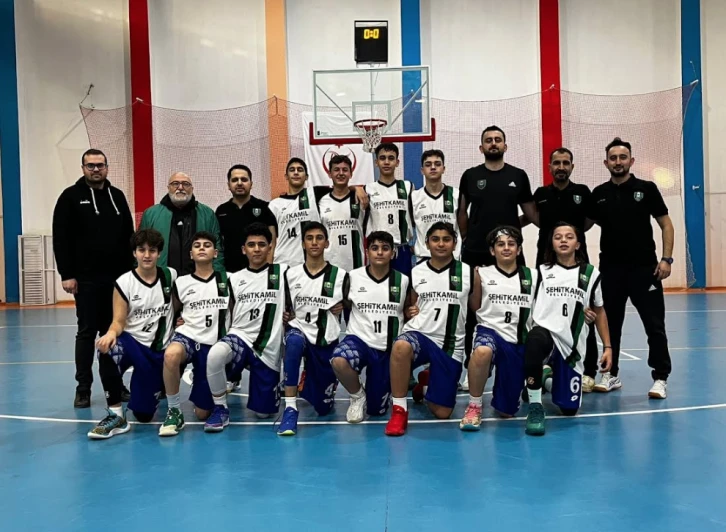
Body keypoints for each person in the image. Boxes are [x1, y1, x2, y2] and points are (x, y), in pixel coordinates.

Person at [589, 138, 674, 398]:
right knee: (611, 325)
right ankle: (610, 374)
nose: (618, 162)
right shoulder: (599, 193)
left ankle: (660, 377)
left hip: (645, 270)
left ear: (631, 161)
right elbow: (582, 226)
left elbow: (666, 224)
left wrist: (666, 259)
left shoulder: (647, 189)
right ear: (606, 163)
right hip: (611, 271)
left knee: (654, 326)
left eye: (623, 157)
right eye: (613, 158)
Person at [52, 148, 134, 408]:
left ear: (107, 167)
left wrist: (131, 274)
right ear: (83, 168)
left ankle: (115, 384)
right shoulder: (70, 197)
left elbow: (129, 235)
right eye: (91, 165)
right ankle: (83, 388)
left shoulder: (117, 196)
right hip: (86, 280)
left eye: (100, 165)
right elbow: (60, 238)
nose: (96, 169)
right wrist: (67, 274)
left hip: (117, 281)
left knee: (114, 331)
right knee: (87, 332)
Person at [458, 126, 539, 366]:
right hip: (475, 252)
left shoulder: (518, 175)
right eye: (488, 140)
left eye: (498, 140)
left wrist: (513, 225)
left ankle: (518, 360)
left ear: (505, 145)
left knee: (517, 304)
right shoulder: (470, 176)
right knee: (472, 310)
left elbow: (531, 213)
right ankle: (472, 363)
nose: (493, 143)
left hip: (509, 254)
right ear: (481, 147)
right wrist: (466, 236)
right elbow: (462, 211)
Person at [523, 222, 612, 436]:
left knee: (569, 409)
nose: (563, 240)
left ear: (578, 244)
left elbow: (599, 310)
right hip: (546, 334)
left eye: (569, 237)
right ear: (552, 244)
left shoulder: (590, 273)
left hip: (572, 344)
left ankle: (546, 378)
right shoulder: (541, 272)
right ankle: (535, 406)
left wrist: (608, 347)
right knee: (534, 340)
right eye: (558, 237)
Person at [385, 222, 473, 437]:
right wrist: (410, 311)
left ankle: (425, 383)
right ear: (426, 243)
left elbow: (477, 307)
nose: (441, 244)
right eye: (435, 239)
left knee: (442, 413)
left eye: (446, 239)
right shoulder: (416, 271)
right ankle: (399, 411)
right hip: (421, 334)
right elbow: (411, 305)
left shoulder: (468, 272)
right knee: (401, 346)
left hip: (450, 344)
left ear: (455, 243)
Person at [87, 229, 176, 439]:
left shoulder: (170, 276)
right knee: (108, 350)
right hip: (132, 343)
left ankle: (149, 392)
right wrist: (110, 333)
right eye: (141, 250)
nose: (147, 255)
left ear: (159, 253)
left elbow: (180, 304)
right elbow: (119, 320)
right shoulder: (124, 282)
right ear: (134, 253)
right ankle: (116, 415)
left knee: (144, 415)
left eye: (152, 250)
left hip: (158, 351)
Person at [524, 147, 599, 393]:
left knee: (585, 314)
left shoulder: (582, 192)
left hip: (578, 262)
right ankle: (545, 364)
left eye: (566, 163)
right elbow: (533, 218)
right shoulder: (541, 194)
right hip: (546, 261)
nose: (561, 167)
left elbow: (588, 222)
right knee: (545, 312)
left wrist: (570, 241)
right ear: (549, 167)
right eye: (557, 163)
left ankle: (588, 371)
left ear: (572, 166)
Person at [203, 224, 286, 432]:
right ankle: (220, 408)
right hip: (239, 337)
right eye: (251, 245)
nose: (256, 249)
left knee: (264, 413)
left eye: (262, 244)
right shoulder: (234, 279)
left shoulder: (283, 273)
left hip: (268, 347)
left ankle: (258, 384)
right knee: (215, 354)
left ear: (270, 248)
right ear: (243, 249)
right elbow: (223, 309)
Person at [460, 226, 537, 431]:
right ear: (492, 250)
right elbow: (475, 306)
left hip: (517, 341)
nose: (506, 248)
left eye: (511, 244)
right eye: (501, 244)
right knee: (482, 351)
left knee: (507, 412)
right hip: (490, 332)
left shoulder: (533, 276)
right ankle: (474, 406)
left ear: (519, 250)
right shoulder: (481, 273)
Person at [330, 231, 409, 423]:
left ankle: (374, 394)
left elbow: (408, 310)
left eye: (385, 248)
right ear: (367, 252)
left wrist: (412, 311)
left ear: (393, 253)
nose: (380, 252)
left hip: (387, 347)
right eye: (375, 248)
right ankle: (357, 395)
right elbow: (339, 302)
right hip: (359, 341)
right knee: (339, 359)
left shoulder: (403, 280)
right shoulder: (353, 277)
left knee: (376, 410)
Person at [158, 232, 230, 437]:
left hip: (214, 344)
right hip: (188, 337)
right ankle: (174, 410)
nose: (202, 248)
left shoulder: (228, 280)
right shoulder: (181, 282)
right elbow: (171, 312)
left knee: (202, 413)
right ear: (191, 254)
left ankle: (208, 390)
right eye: (197, 245)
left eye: (207, 245)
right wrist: (177, 320)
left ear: (215, 253)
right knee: (171, 354)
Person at [277, 222, 346, 436]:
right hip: (299, 330)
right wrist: (285, 315)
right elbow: (284, 306)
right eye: (309, 238)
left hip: (325, 339)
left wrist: (344, 305)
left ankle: (311, 379)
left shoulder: (341, 276)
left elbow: (353, 306)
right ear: (303, 243)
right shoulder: (291, 274)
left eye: (319, 238)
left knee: (323, 408)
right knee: (294, 341)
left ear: (327, 243)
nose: (314, 242)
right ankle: (290, 409)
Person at [269, 158, 367, 267]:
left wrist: (357, 188)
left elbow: (340, 188)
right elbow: (271, 242)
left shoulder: (315, 194)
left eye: (300, 170)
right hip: (282, 261)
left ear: (307, 176)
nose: (296, 173)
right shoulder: (274, 205)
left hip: (312, 264)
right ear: (286, 176)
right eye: (292, 170)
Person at [140, 172, 224, 275]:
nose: (180, 187)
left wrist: (218, 276)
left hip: (199, 279)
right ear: (168, 188)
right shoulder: (150, 214)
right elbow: (140, 247)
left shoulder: (207, 214)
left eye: (185, 184)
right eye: (175, 183)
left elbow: (217, 248)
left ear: (192, 189)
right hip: (161, 278)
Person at [215, 164, 277, 273]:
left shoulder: (264, 207)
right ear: (228, 185)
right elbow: (218, 243)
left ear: (251, 184)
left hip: (259, 271)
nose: (239, 183)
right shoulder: (221, 211)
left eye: (244, 179)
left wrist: (268, 269)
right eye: (235, 180)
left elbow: (272, 241)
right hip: (230, 272)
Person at [365, 143, 415, 276]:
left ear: (397, 162)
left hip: (401, 249)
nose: (386, 162)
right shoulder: (368, 189)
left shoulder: (408, 186)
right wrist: (356, 188)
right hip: (378, 250)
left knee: (403, 286)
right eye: (382, 158)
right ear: (376, 162)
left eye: (391, 158)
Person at [318, 154, 366, 272]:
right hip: (329, 264)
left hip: (356, 265)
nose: (340, 173)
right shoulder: (321, 201)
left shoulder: (361, 198)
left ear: (351, 173)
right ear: (329, 174)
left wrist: (357, 188)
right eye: (336, 170)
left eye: (345, 170)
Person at [412, 149, 462, 260]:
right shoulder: (414, 197)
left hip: (452, 258)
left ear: (443, 169)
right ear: (422, 170)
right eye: (428, 164)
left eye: (437, 164)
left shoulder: (456, 195)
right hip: (424, 259)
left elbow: (464, 229)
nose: (433, 167)